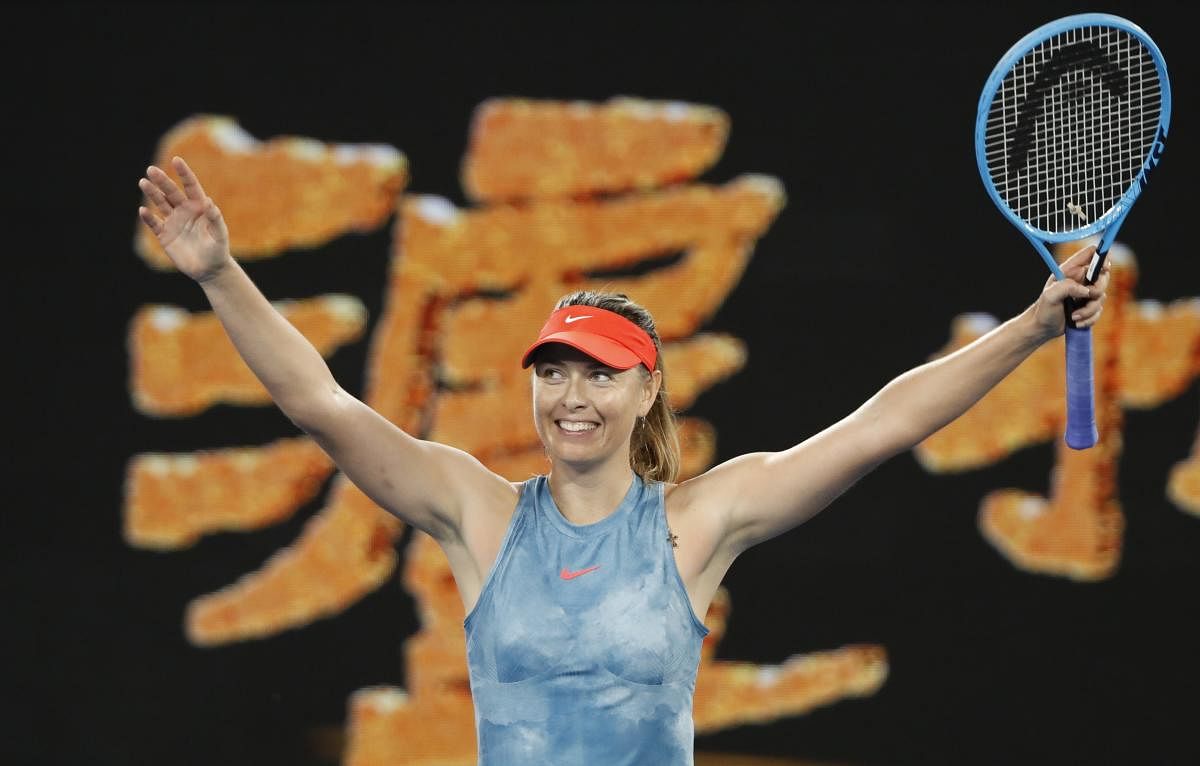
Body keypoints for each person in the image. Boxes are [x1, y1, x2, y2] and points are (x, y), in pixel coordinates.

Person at [137, 156, 1109, 765]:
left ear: (646, 391)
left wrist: (1030, 327)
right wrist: (220, 273)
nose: (571, 397)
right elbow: (320, 401)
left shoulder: (698, 522)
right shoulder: (480, 513)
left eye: (599, 376)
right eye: (553, 372)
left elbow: (880, 426)